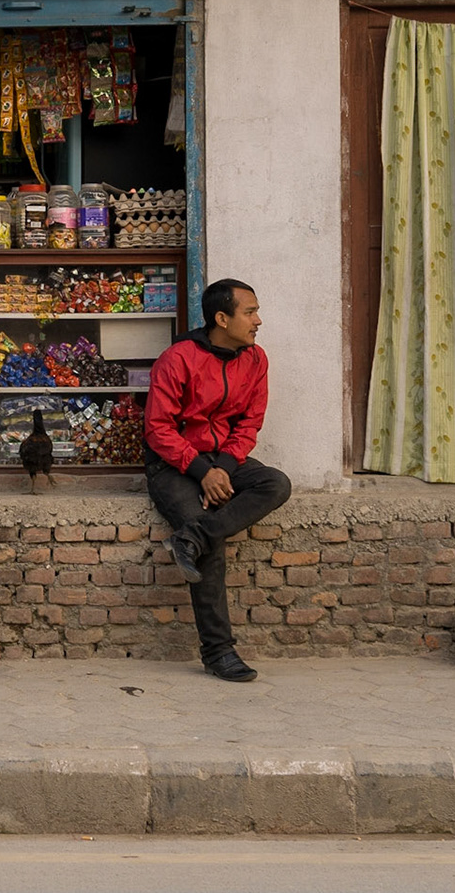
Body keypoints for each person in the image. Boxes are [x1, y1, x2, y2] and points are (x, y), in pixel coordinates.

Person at [143, 277, 290, 682]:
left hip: (224, 459)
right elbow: (158, 430)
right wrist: (202, 472)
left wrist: (223, 467)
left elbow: (249, 423)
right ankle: (218, 652)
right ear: (222, 319)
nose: (258, 321)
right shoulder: (178, 359)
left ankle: (191, 538)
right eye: (250, 312)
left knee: (275, 483)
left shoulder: (256, 360)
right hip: (172, 465)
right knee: (216, 547)